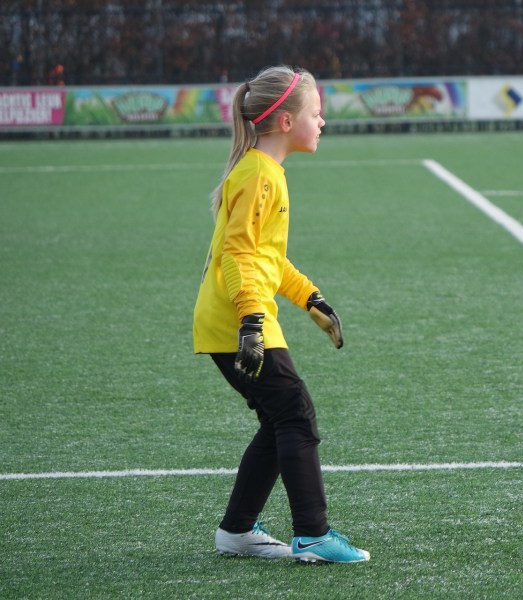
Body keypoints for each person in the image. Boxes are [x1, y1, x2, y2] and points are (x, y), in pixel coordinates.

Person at [193, 65, 369, 564]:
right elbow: (239, 255)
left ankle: (238, 530)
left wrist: (309, 297)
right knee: (295, 416)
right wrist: (251, 321)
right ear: (287, 121)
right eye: (317, 113)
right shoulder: (258, 175)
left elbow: (268, 259)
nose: (323, 122)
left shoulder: (264, 171)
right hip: (238, 321)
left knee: (279, 419)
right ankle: (312, 535)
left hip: (235, 317)